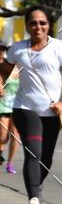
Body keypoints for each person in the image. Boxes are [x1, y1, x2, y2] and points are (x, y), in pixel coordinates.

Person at [0, 8, 62, 204]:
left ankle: (36, 189)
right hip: (25, 108)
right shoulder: (18, 49)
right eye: (33, 23)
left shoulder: (59, 47)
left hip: (51, 112)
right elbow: (5, 68)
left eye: (42, 22)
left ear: (48, 24)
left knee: (46, 157)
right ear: (27, 25)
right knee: (34, 152)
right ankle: (33, 199)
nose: (38, 26)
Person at [0, 43, 21, 174]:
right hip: (3, 104)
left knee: (16, 135)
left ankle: (10, 163)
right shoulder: (3, 67)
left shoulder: (22, 68)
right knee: (3, 137)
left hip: (18, 104)